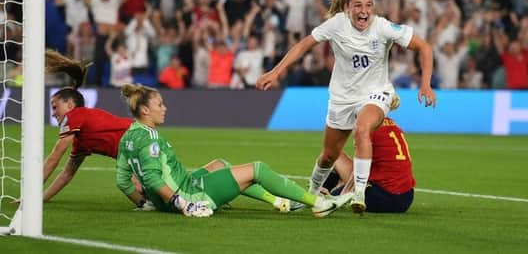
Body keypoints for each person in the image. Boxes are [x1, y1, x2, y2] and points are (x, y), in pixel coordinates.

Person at [256, 0, 436, 213]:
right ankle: (310, 195)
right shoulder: (336, 25)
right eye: (358, 5)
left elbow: (424, 47)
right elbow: (303, 46)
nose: (364, 11)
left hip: (375, 93)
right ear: (347, 9)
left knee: (362, 129)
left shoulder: (383, 27)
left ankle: (358, 193)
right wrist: (275, 71)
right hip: (342, 98)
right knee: (329, 156)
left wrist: (426, 85)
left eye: (369, 5)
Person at [115, 83, 352, 218]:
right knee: (258, 168)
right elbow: (154, 178)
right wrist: (183, 204)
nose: (164, 108)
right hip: (191, 194)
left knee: (220, 163)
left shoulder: (128, 136)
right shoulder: (151, 139)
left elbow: (123, 181)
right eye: (159, 105)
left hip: (175, 192)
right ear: (145, 111)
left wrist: (150, 203)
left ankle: (279, 201)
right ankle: (317, 203)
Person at [43, 50, 134, 202]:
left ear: (70, 104)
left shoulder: (74, 115)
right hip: (136, 144)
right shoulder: (80, 141)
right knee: (135, 186)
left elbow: (54, 157)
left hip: (137, 140)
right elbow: (67, 174)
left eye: (55, 107)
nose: (53, 113)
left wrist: (30, 194)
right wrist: (41, 198)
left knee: (139, 186)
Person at [321, 117, 415, 213]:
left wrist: (343, 194)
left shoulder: (365, 129)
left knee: (333, 154)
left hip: (382, 198)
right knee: (340, 158)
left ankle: (321, 191)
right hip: (406, 198)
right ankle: (325, 190)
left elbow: (359, 168)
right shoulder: (393, 125)